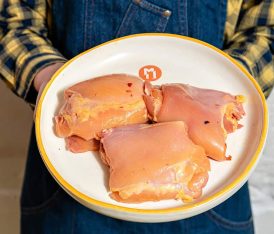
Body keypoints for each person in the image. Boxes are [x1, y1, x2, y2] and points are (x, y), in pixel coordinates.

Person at [0, 0, 273, 233]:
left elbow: (266, 31)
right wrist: (50, 77)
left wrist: (225, 87)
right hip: (67, 195)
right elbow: (12, 21)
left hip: (212, 204)